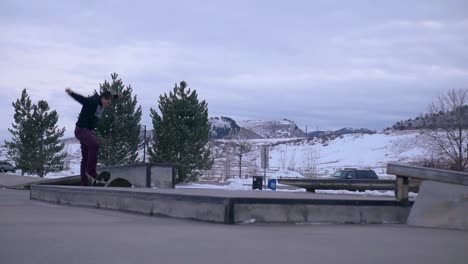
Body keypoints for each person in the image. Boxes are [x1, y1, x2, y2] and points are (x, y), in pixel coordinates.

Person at [66, 88, 119, 186]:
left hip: (85, 131)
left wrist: (117, 96)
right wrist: (71, 93)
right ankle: (91, 171)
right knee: (94, 144)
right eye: (107, 102)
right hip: (81, 130)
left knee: (85, 158)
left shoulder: (101, 102)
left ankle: (84, 182)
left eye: (109, 102)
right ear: (102, 98)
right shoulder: (92, 102)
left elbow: (110, 97)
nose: (108, 104)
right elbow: (82, 99)